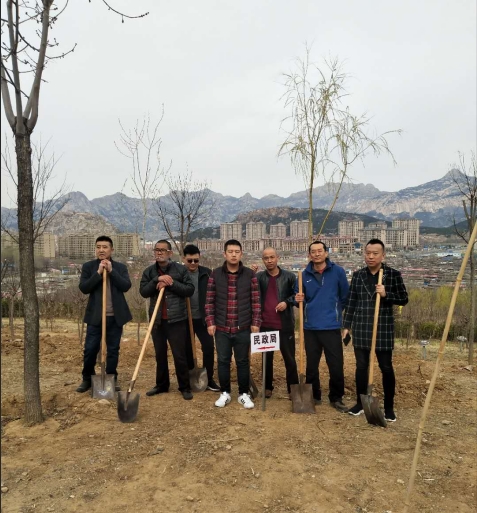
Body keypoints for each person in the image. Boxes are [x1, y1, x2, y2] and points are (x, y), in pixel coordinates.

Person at [343, 238, 408, 422]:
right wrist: (346, 326)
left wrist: (386, 294)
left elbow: (404, 298)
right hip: (361, 326)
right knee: (361, 367)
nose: (370, 257)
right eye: (368, 253)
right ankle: (360, 403)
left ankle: (389, 407)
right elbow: (351, 301)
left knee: (386, 367)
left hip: (383, 327)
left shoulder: (392, 275)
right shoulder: (358, 275)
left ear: (383, 255)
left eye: (375, 253)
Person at [205, 239, 261, 409]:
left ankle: (243, 394)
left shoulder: (250, 275)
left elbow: (256, 301)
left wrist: (256, 322)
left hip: (242, 327)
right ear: (225, 254)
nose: (234, 255)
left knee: (242, 361)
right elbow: (209, 301)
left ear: (241, 254)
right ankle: (225, 393)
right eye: (230, 251)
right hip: (221, 327)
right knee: (223, 361)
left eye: (237, 252)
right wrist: (210, 322)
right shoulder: (215, 274)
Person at [295, 241, 349, 412]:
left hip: (331, 326)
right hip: (310, 327)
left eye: (320, 251)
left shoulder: (338, 272)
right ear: (309, 255)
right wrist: (297, 299)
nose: (317, 254)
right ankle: (314, 395)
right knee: (311, 365)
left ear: (326, 253)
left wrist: (336, 313)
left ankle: (336, 397)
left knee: (336, 365)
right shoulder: (303, 275)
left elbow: (345, 296)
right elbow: (297, 299)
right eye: (313, 251)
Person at [140, 239, 195, 400]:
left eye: (162, 250)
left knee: (179, 355)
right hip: (157, 320)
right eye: (156, 250)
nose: (159, 252)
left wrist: (171, 283)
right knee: (160, 354)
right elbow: (143, 292)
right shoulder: (149, 272)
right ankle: (162, 385)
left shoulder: (180, 270)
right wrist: (156, 280)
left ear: (170, 253)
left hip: (177, 320)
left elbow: (189, 290)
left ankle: (184, 386)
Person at [76, 235, 132, 393]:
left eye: (105, 247)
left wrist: (112, 271)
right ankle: (87, 378)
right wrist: (98, 273)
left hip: (115, 316)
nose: (101, 250)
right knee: (90, 349)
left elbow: (126, 286)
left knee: (113, 350)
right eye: (98, 247)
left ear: (111, 250)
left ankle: (111, 378)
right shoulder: (89, 267)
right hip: (95, 317)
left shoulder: (120, 267)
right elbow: (84, 288)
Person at [255, 247, 299, 398]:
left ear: (277, 257)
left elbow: (297, 296)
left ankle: (293, 388)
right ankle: (267, 388)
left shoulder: (289, 276)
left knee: (290, 359)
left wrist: (287, 302)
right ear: (263, 260)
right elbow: (251, 293)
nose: (269, 260)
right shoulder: (259, 277)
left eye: (272, 257)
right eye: (266, 258)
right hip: (265, 325)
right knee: (266, 359)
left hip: (284, 325)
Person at [182, 244, 220, 392]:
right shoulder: (179, 273)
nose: (193, 263)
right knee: (188, 350)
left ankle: (208, 379)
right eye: (190, 260)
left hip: (203, 319)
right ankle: (191, 377)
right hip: (185, 318)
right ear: (183, 259)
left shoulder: (207, 273)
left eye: (196, 260)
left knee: (209, 347)